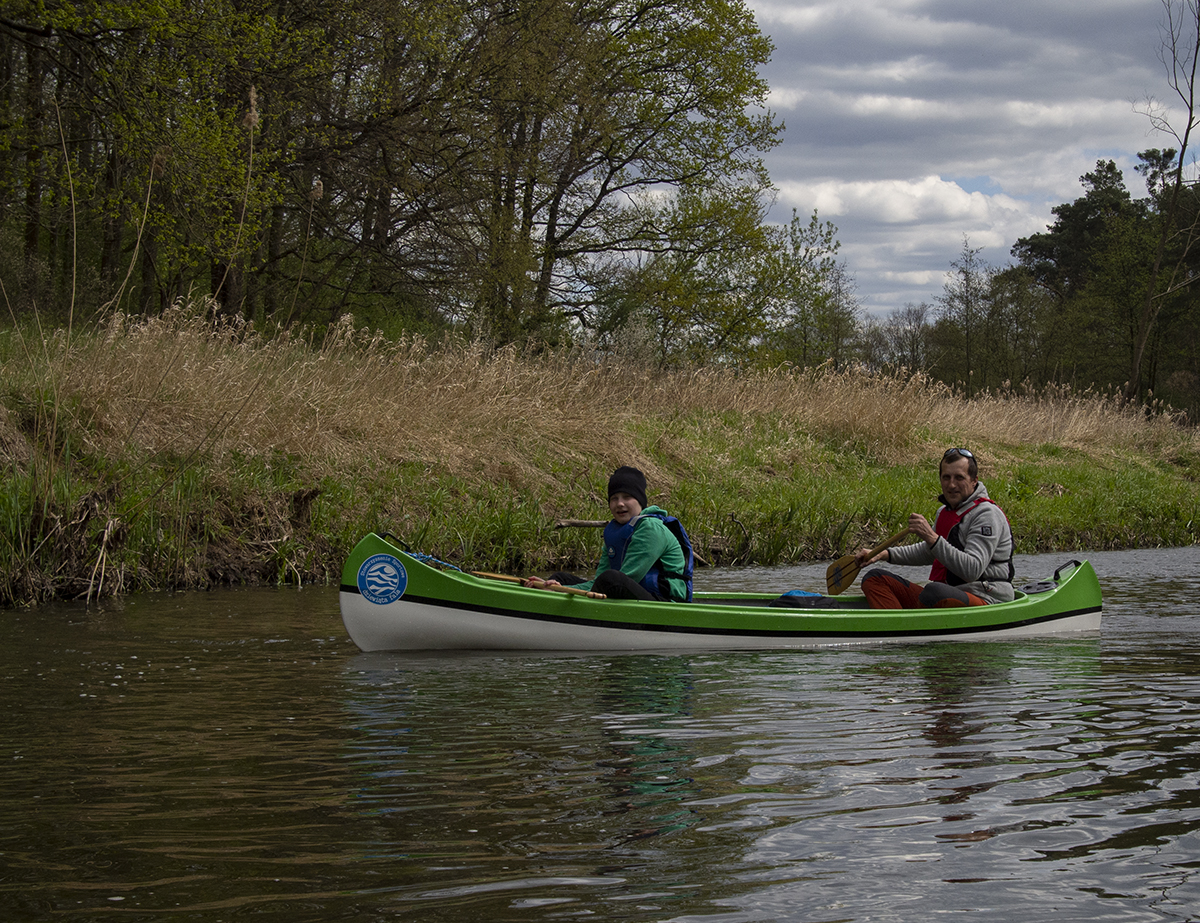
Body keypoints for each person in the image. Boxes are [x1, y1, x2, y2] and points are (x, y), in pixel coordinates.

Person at [854, 448, 1014, 609]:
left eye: (959, 478)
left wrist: (931, 536)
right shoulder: (944, 512)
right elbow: (929, 552)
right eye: (946, 477)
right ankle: (895, 628)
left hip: (986, 598)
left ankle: (906, 627)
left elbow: (972, 570)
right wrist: (882, 554)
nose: (951, 485)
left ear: (974, 480)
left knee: (933, 591)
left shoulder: (986, 514)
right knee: (875, 578)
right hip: (947, 595)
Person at [527, 466, 694, 602]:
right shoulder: (614, 531)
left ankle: (555, 594)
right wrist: (558, 585)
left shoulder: (650, 528)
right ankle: (549, 596)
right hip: (629, 591)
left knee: (611, 579)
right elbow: (599, 580)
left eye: (627, 497)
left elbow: (628, 576)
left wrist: (562, 591)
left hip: (664, 601)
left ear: (640, 501)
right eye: (614, 498)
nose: (620, 504)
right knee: (561, 577)